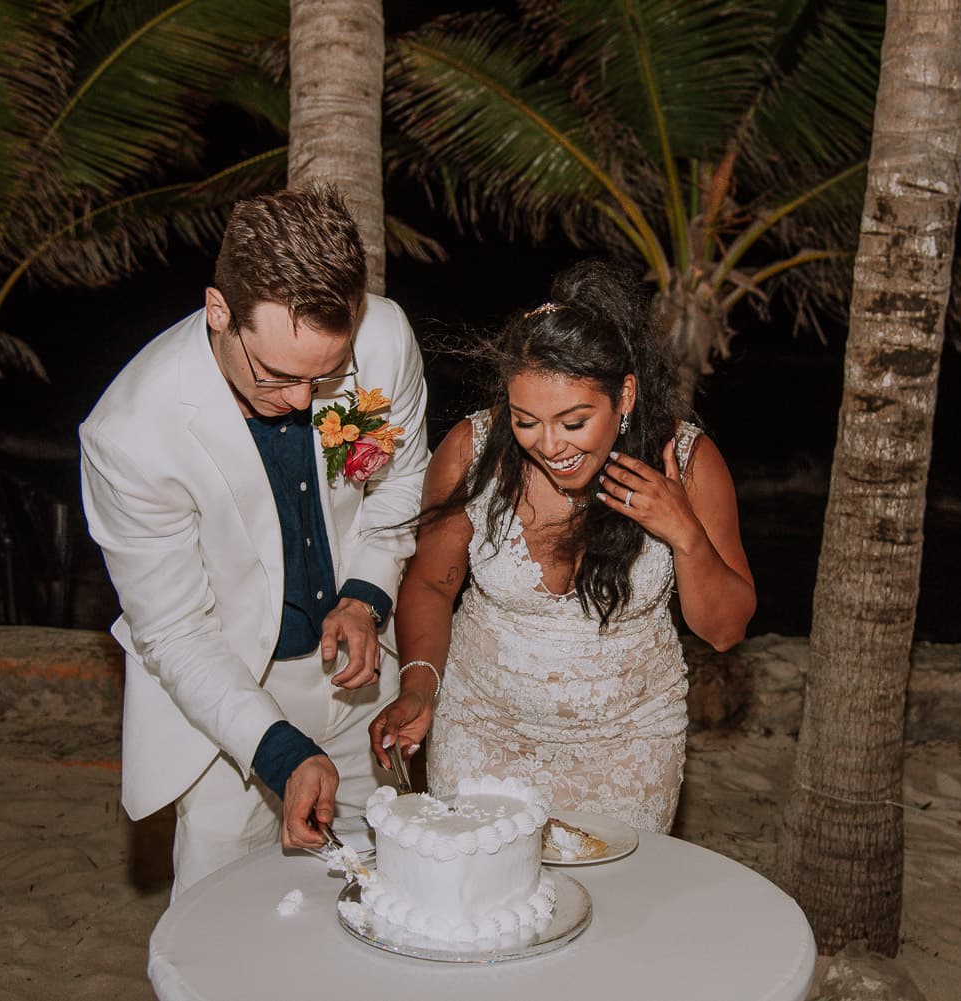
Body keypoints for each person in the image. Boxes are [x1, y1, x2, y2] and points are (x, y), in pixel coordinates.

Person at [80, 186, 429, 899]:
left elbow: (398, 485)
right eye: (276, 375)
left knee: (388, 899)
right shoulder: (130, 434)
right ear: (219, 312)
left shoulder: (384, 339)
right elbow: (176, 631)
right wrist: (278, 750)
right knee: (225, 924)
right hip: (226, 700)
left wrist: (366, 597)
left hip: (361, 685)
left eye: (323, 375)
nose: (303, 400)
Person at [368, 261, 755, 833]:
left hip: (629, 745)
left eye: (574, 422)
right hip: (483, 732)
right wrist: (419, 685)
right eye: (527, 420)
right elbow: (430, 582)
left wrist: (682, 531)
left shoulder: (688, 463)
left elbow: (723, 630)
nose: (550, 445)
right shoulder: (473, 453)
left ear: (624, 396)